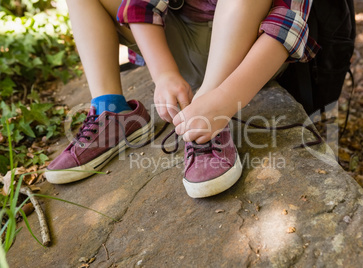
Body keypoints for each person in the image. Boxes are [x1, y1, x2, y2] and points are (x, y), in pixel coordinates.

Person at [45, 0, 319, 198]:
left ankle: (208, 108)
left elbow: (286, 29)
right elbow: (142, 4)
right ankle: (111, 108)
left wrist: (225, 99)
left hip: (245, 50)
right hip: (175, 35)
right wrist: (163, 73)